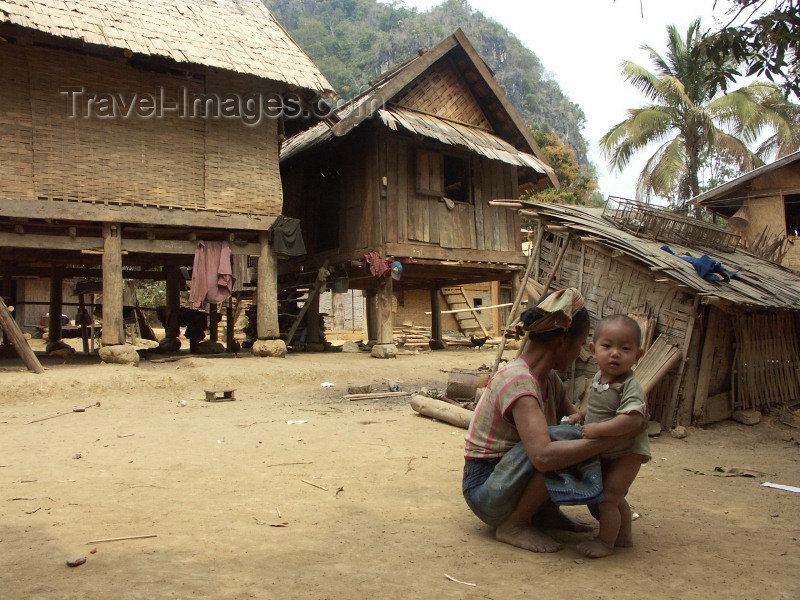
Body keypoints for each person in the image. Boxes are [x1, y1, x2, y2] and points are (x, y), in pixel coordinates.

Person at [462, 289, 645, 553]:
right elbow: (544, 457)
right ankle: (513, 524)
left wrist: (622, 423)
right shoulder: (518, 380)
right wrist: (615, 438)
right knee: (563, 441)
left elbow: (581, 422)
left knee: (574, 436)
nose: (581, 353)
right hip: (486, 491)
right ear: (563, 341)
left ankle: (546, 513)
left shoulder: (549, 380)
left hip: (508, 481)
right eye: (581, 344)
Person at [569, 314, 650, 558]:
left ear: (638, 355)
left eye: (625, 349)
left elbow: (634, 419)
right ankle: (623, 537)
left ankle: (606, 542)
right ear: (593, 349)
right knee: (613, 497)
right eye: (607, 346)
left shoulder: (630, 385)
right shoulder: (599, 378)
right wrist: (580, 415)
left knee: (608, 498)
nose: (615, 353)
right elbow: (600, 408)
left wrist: (598, 430)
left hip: (627, 452)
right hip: (609, 449)